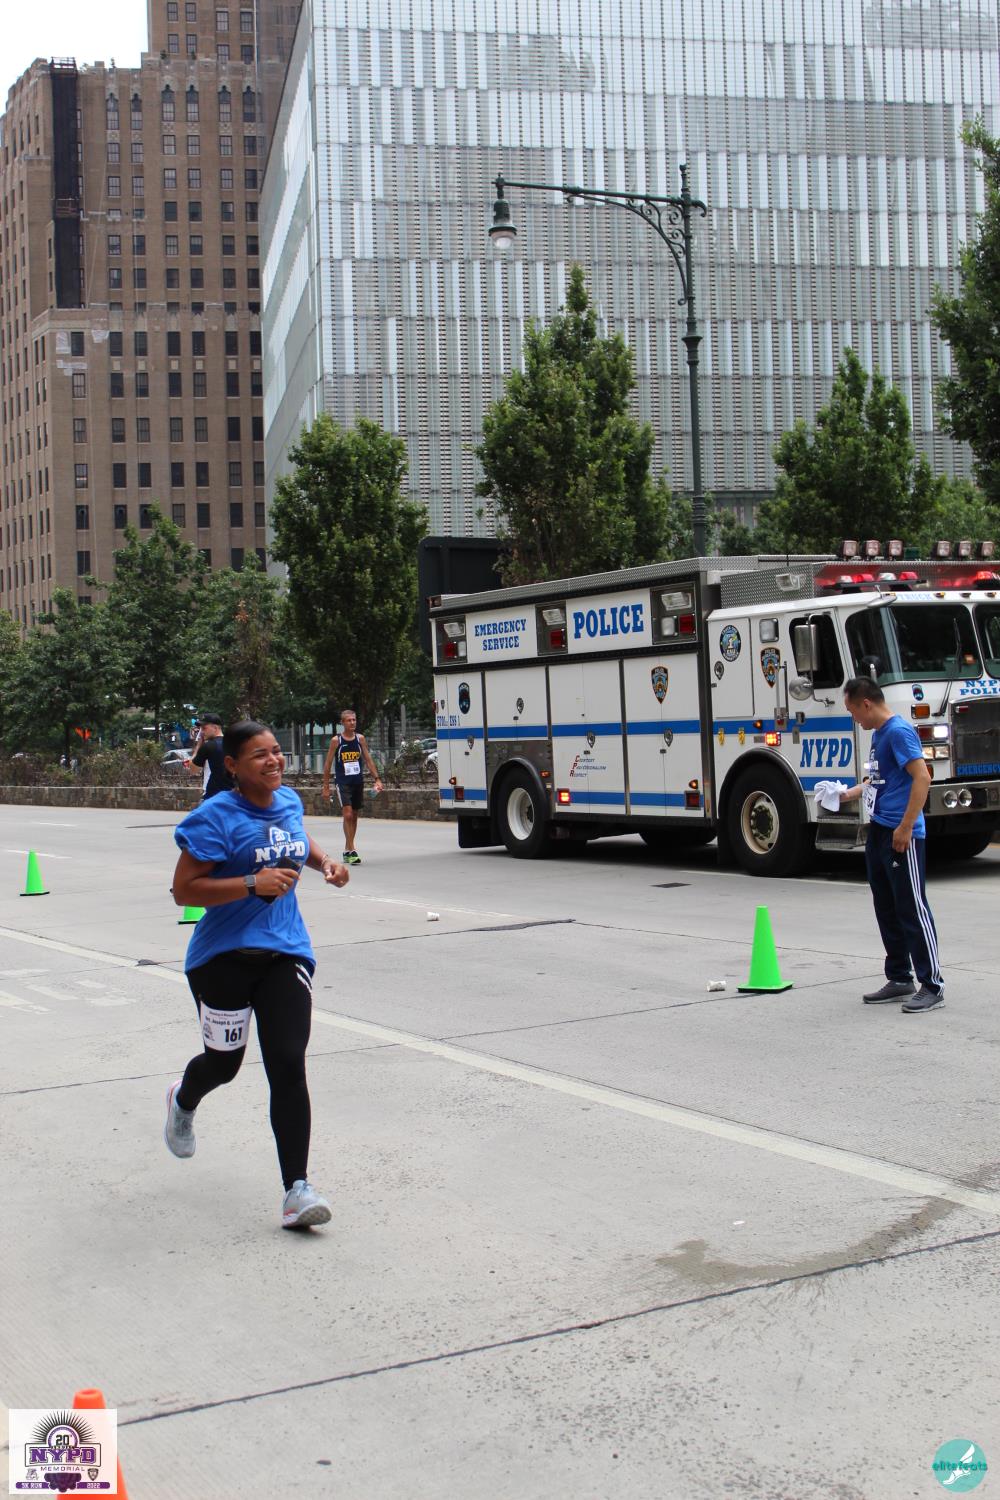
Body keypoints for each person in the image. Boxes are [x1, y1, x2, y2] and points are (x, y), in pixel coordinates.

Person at [165, 719, 350, 1228]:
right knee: (223, 1065)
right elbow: (184, 891)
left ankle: (297, 1190)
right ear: (232, 766)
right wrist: (251, 882)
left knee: (287, 1063)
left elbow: (296, 839)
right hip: (221, 958)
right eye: (260, 755)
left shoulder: (288, 800)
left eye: (276, 751)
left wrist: (326, 863)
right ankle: (183, 1099)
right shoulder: (215, 817)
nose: (274, 761)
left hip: (285, 952)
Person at [840, 676, 944, 1013]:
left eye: (853, 711)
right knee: (886, 905)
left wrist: (906, 826)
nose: (854, 718)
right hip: (880, 830)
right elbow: (879, 780)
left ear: (866, 703)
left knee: (911, 908)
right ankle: (900, 977)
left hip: (901, 833)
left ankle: (932, 985)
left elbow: (922, 777)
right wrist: (848, 793)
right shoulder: (879, 734)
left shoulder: (898, 731)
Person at [321, 708, 383, 865]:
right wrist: (326, 787)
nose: (352, 722)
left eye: (354, 720)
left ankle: (347, 850)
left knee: (354, 815)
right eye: (349, 720)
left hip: (357, 782)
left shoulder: (360, 739)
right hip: (343, 782)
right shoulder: (336, 741)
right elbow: (328, 764)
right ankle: (352, 849)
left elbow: (368, 759)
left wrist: (377, 779)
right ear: (343, 723)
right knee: (347, 814)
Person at [186, 713, 235, 800]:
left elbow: (193, 770)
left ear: (215, 728)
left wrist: (198, 746)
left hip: (214, 796)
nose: (201, 732)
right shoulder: (234, 744)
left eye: (204, 728)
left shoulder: (209, 746)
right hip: (234, 796)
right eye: (200, 729)